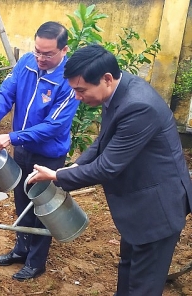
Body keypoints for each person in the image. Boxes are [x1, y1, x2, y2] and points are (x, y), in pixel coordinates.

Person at [28, 44, 192, 295]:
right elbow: (103, 142)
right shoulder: (118, 91)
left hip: (157, 208)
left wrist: (58, 175)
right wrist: (75, 166)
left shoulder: (139, 106)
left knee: (143, 286)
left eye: (81, 90)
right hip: (139, 204)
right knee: (128, 270)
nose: (77, 97)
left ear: (106, 78)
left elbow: (107, 167)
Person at [0, 21, 79, 281]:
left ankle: (36, 261)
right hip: (21, 149)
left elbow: (54, 126)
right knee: (21, 200)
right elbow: (5, 93)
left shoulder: (69, 79)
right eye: (37, 51)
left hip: (48, 154)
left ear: (64, 50)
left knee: (44, 206)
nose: (41, 58)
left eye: (48, 54)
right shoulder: (26, 64)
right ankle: (21, 249)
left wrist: (12, 136)